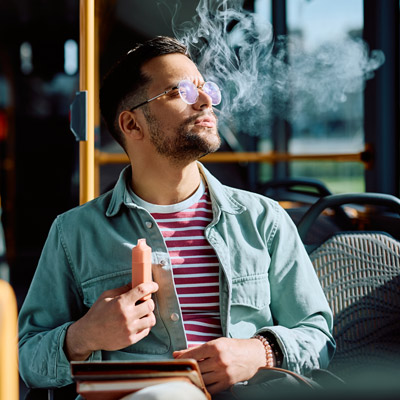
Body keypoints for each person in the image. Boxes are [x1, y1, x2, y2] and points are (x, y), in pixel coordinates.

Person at [18, 36, 335, 399]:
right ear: (132, 124)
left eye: (204, 88)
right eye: (179, 91)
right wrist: (84, 336)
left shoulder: (264, 219)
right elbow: (27, 358)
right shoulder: (73, 233)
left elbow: (319, 336)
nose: (204, 100)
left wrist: (259, 351)